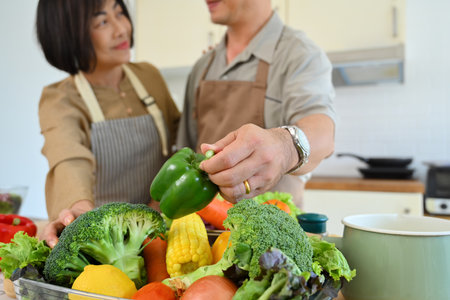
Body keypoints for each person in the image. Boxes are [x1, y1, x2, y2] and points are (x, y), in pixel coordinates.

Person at [36, 0, 180, 247]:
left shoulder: (149, 77)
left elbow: (180, 145)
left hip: (162, 230)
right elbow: (68, 159)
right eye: (102, 21)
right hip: (107, 241)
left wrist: (157, 206)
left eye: (120, 13)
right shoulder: (60, 99)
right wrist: (79, 208)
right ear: (70, 34)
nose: (121, 29)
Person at [177, 0, 335, 206]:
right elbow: (185, 150)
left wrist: (285, 147)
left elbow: (323, 134)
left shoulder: (299, 54)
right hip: (205, 232)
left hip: (273, 231)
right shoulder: (203, 66)